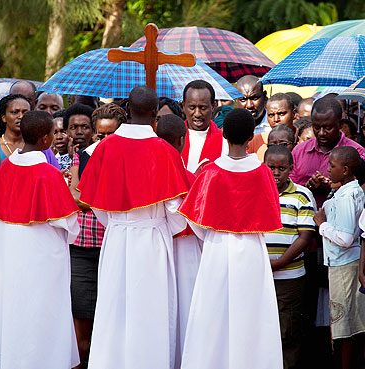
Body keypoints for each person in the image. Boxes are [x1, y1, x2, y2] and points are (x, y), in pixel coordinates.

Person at [78, 86, 189, 369]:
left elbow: (94, 202)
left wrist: (118, 223)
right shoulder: (164, 151)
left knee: (115, 307)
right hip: (152, 236)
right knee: (150, 309)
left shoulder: (105, 147)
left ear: (127, 110)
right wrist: (157, 226)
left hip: (116, 236)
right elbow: (177, 209)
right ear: (154, 114)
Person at [178, 108, 283, 369]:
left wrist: (215, 234)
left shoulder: (211, 172)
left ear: (223, 134)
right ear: (252, 137)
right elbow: (270, 219)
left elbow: (195, 220)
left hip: (216, 247)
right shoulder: (262, 172)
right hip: (251, 251)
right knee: (252, 312)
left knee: (213, 311)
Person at [0, 110, 80, 369]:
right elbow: (68, 224)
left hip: (11, 256)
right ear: (46, 139)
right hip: (44, 258)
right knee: (43, 313)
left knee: (14, 311)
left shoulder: (4, 169)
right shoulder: (48, 174)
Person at [68, 103, 126, 369]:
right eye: (100, 135)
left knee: (113, 313)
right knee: (81, 315)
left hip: (113, 244)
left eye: (110, 135)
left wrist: (93, 197)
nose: (104, 141)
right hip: (83, 246)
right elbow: (75, 197)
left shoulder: (127, 156)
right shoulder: (84, 155)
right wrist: (106, 198)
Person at [156, 114, 202, 368]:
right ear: (183, 141)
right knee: (186, 308)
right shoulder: (189, 177)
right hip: (186, 251)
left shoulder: (148, 171)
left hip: (156, 246)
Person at [264, 145, 316, 369]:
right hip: (259, 274)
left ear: (291, 169)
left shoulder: (302, 195)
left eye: (282, 168)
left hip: (290, 276)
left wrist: (281, 262)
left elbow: (304, 237)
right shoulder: (255, 191)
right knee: (262, 329)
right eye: (271, 168)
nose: (276, 173)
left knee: (288, 330)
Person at [314, 146, 365, 369]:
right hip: (347, 262)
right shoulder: (350, 191)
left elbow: (344, 238)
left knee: (343, 325)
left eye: (332, 166)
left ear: (345, 170)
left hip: (344, 264)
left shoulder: (346, 196)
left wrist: (321, 224)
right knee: (349, 321)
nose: (328, 169)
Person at [181, 80, 227, 173]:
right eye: (192, 108)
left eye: (203, 108)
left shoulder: (225, 143)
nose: (197, 114)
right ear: (183, 106)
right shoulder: (174, 138)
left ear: (213, 106)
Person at [248, 93, 296, 161]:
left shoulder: (304, 140)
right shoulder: (256, 141)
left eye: (281, 114)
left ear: (293, 114)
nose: (276, 119)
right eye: (271, 115)